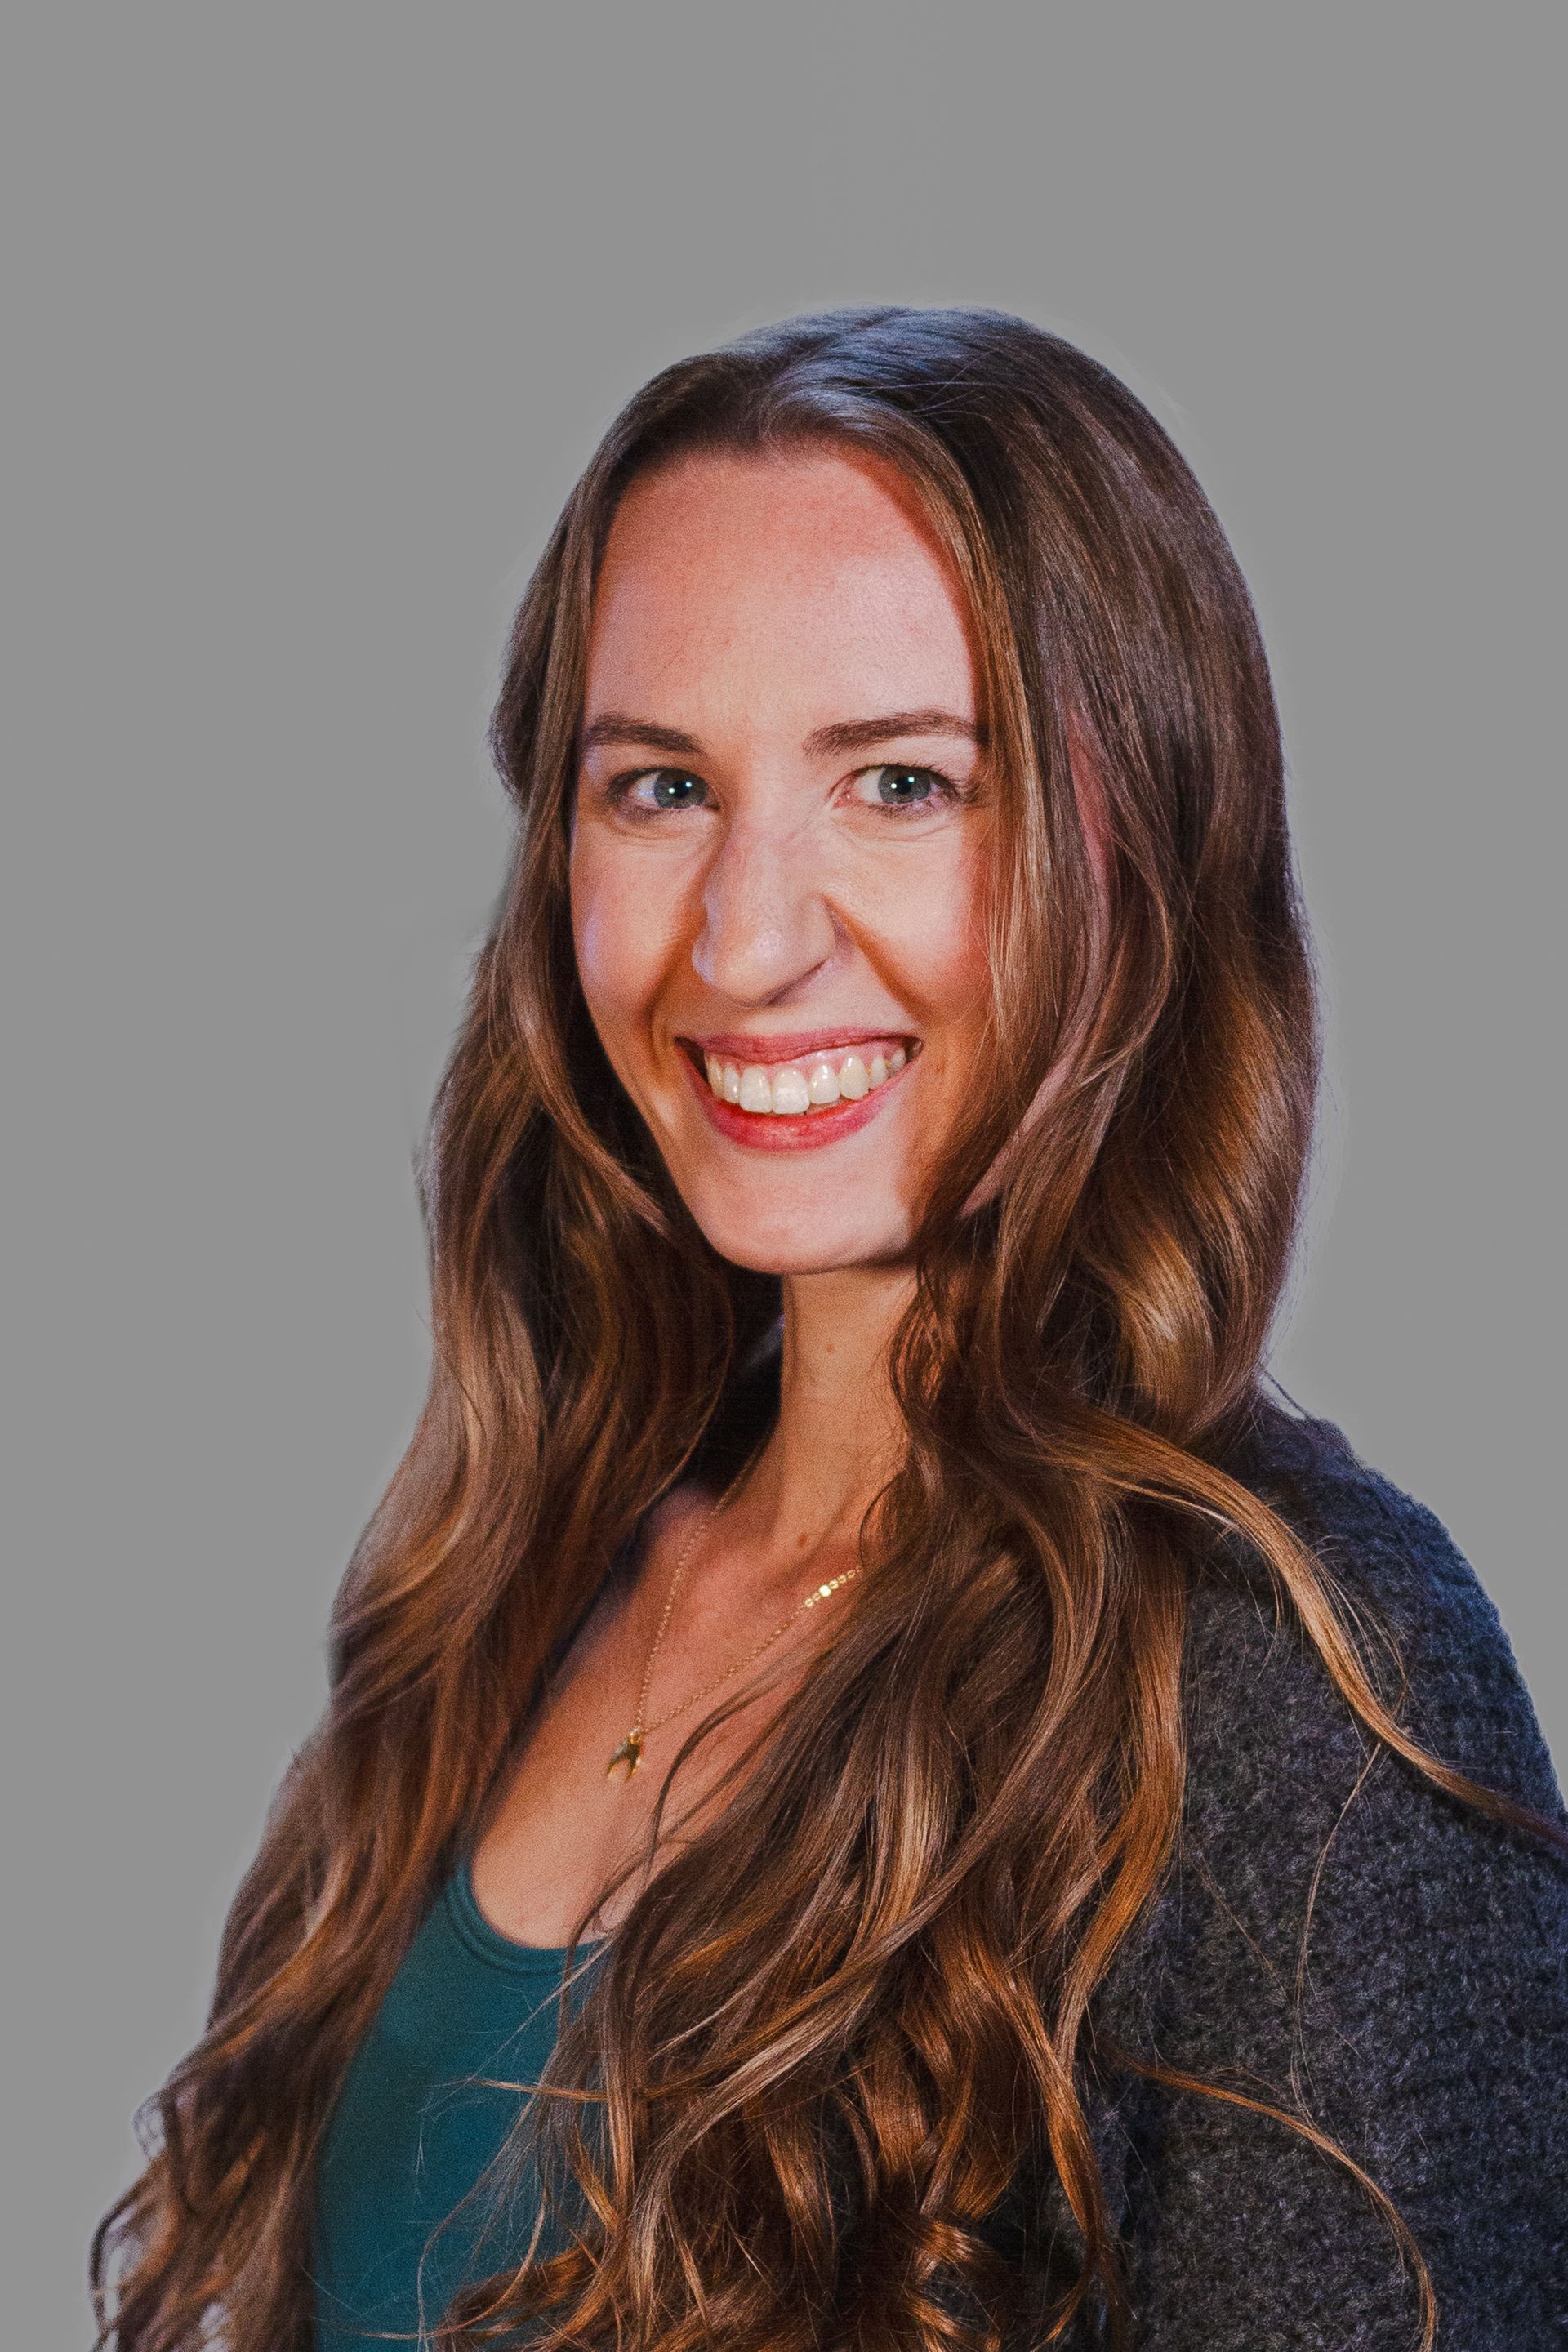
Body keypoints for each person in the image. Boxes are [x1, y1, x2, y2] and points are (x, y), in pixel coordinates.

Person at [93, 308, 1567, 2352]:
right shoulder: (535, 1573)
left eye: (900, 783)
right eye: (660, 788)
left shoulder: (1293, 1676)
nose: (747, 937)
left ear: (1139, 848)